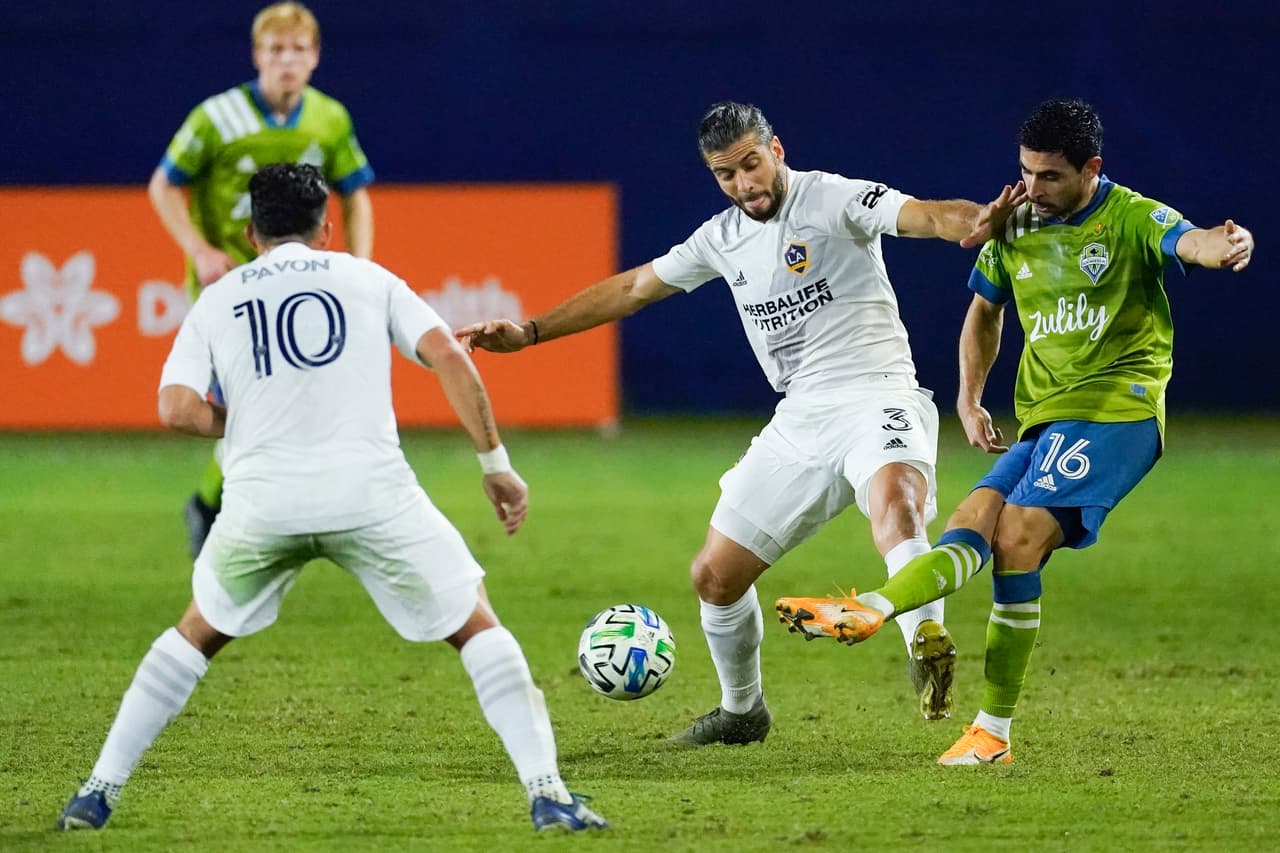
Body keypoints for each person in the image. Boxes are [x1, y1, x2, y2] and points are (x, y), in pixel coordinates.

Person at [455, 101, 1025, 745]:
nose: (745, 185)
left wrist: (973, 222)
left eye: (752, 165)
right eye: (726, 175)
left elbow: (920, 214)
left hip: (878, 394)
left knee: (895, 499)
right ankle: (742, 711)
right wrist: (529, 333)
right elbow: (632, 289)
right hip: (801, 418)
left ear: (776, 150)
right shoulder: (719, 239)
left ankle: (925, 637)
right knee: (713, 577)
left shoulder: (831, 197)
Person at [58, 164, 606, 833]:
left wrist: (238, 423)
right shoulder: (368, 279)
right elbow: (453, 358)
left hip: (262, 505)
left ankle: (95, 792)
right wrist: (495, 462)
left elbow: (174, 408)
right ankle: (548, 794)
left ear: (248, 233)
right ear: (328, 226)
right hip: (371, 496)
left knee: (196, 632)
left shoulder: (219, 297)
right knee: (475, 624)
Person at [775, 98, 1254, 765]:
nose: (1033, 189)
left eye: (1051, 176)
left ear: (1092, 168)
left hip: (1119, 409)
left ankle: (992, 729)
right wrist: (969, 398)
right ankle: (874, 609)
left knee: (1020, 534)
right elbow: (983, 312)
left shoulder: (1131, 217)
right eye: (1025, 172)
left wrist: (1226, 244)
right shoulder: (1018, 223)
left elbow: (1192, 240)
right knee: (974, 518)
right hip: (1047, 417)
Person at [147, 2, 376, 558]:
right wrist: (199, 249)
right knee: (254, 407)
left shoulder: (330, 119)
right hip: (227, 286)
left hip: (295, 287)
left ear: (316, 57)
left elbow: (357, 195)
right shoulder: (216, 118)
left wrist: (361, 266)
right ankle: (229, 517)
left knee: (275, 408)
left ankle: (215, 507)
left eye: (298, 50)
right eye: (276, 50)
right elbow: (162, 185)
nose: (287, 62)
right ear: (257, 57)